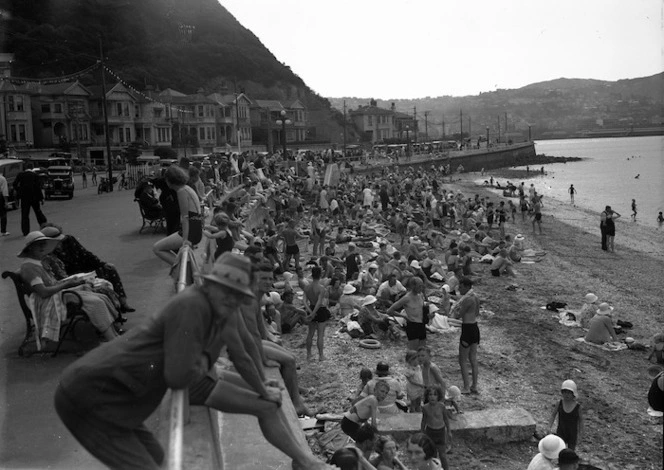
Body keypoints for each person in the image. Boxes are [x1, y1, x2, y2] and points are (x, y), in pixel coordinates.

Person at [55, 253, 330, 470]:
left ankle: (303, 461)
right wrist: (204, 365)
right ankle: (305, 462)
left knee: (157, 457)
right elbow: (179, 376)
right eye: (227, 291)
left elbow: (241, 354)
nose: (231, 299)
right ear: (210, 286)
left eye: (236, 295)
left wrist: (258, 386)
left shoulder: (219, 309)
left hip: (121, 393)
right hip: (91, 395)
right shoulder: (192, 306)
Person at [18, 231, 120, 348]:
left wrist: (71, 282)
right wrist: (66, 285)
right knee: (96, 303)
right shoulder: (29, 267)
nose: (42, 247)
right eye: (38, 244)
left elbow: (51, 284)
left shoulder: (36, 263)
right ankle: (112, 339)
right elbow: (43, 292)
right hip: (49, 300)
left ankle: (113, 335)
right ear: (30, 248)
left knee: (100, 296)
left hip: (57, 295)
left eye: (43, 244)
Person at [40, 223, 135, 313]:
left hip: (84, 270)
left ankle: (123, 303)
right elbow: (58, 276)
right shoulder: (47, 255)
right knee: (100, 287)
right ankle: (113, 311)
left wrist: (101, 264)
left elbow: (85, 254)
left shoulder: (69, 240)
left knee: (110, 269)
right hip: (71, 278)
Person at [153, 166, 203, 265]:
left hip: (191, 231)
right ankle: (185, 268)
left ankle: (181, 268)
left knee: (157, 248)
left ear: (169, 180)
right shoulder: (187, 188)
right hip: (196, 228)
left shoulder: (181, 191)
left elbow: (185, 217)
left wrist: (185, 240)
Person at [450, 277, 480, 394]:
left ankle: (466, 387)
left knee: (462, 359)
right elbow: (476, 313)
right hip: (474, 327)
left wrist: (454, 309)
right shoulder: (475, 297)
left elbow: (458, 315)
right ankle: (474, 386)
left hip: (467, 329)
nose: (459, 289)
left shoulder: (467, 299)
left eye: (461, 287)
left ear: (467, 287)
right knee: (473, 358)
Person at [387, 277, 429, 350]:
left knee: (422, 349)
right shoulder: (407, 298)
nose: (421, 288)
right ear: (413, 286)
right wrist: (403, 316)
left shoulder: (420, 295)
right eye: (419, 286)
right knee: (413, 349)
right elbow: (390, 310)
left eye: (422, 286)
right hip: (412, 324)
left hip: (421, 324)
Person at [303, 266, 330, 361]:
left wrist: (310, 312)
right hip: (320, 310)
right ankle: (321, 355)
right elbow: (319, 302)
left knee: (310, 333)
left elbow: (304, 301)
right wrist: (314, 313)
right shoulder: (321, 288)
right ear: (320, 274)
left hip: (311, 307)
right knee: (320, 334)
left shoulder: (307, 287)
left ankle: (308, 355)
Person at [421, 386, 452, 470]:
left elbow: (446, 419)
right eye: (430, 394)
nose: (432, 397)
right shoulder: (425, 408)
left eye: (435, 395)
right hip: (430, 432)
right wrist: (422, 432)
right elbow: (424, 420)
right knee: (433, 455)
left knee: (442, 455)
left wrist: (449, 431)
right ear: (427, 396)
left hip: (440, 432)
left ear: (438, 397)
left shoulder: (441, 406)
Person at [13, 162, 48, 236]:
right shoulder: (35, 175)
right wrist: (41, 198)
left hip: (24, 198)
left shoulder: (21, 175)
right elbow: (38, 187)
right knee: (38, 212)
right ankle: (43, 226)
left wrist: (20, 190)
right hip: (34, 197)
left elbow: (14, 184)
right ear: (32, 168)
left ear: (25, 168)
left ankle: (25, 231)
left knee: (25, 214)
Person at [548, 380, 583, 450]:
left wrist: (580, 435)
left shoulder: (578, 407)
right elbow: (553, 415)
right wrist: (549, 427)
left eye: (569, 392)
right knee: (559, 450)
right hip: (561, 431)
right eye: (565, 392)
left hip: (572, 434)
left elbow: (581, 421)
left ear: (573, 394)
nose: (566, 394)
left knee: (571, 452)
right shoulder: (559, 403)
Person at [0, 171, 8, 236]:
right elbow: (4, 190)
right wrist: (6, 201)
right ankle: (3, 231)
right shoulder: (2, 179)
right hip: (0, 197)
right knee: (3, 214)